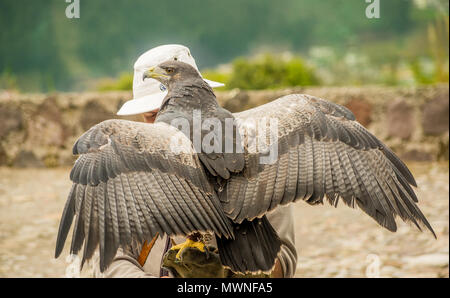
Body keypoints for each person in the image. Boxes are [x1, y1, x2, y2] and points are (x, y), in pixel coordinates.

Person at [94, 44, 297, 278]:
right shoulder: (125, 170)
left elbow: (283, 262)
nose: (168, 125)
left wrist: (232, 277)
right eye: (154, 116)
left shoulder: (256, 157)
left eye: (177, 114)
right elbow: (107, 259)